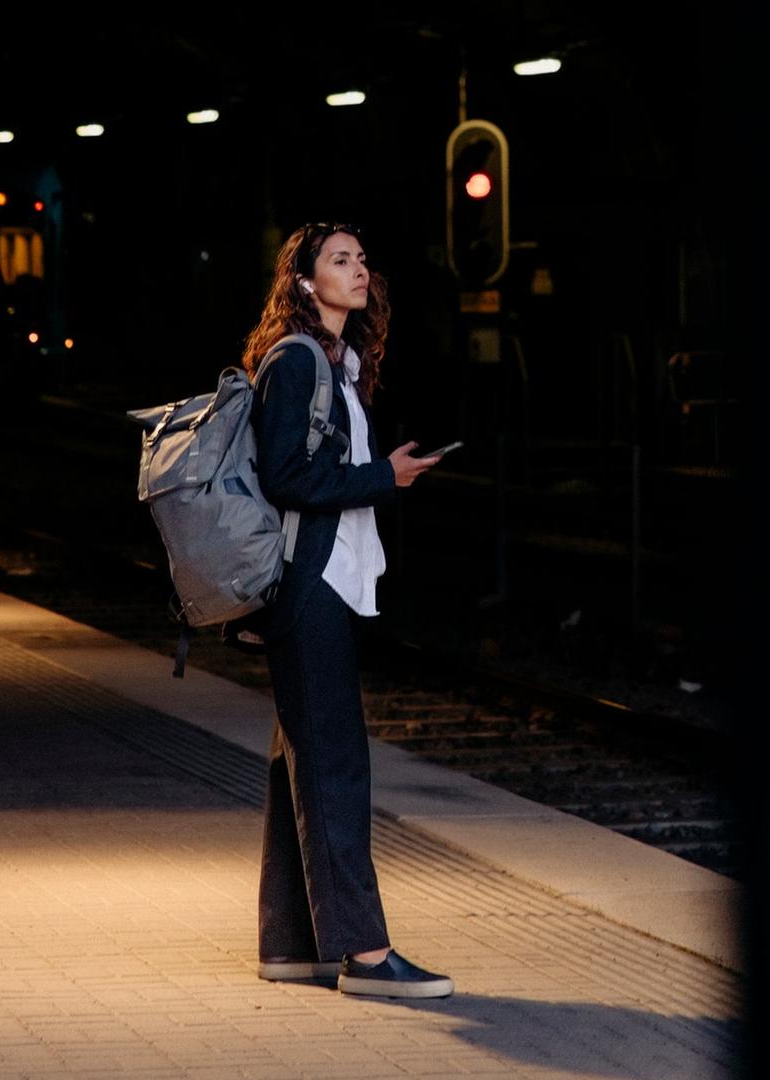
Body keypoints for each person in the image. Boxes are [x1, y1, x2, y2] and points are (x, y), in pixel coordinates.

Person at [242, 222, 453, 999]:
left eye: (363, 258)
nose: (359, 269)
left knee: (300, 760)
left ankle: (291, 944)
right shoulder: (296, 361)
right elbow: (287, 477)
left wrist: (377, 475)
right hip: (309, 587)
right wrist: (381, 479)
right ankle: (365, 956)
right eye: (340, 260)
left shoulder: (337, 361)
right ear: (303, 282)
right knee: (335, 767)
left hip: (324, 583)